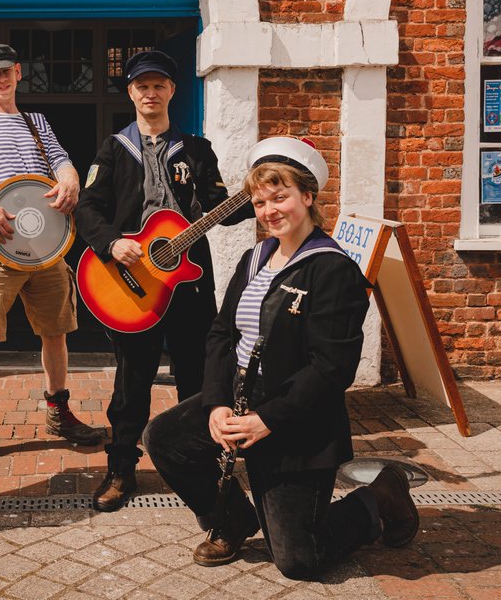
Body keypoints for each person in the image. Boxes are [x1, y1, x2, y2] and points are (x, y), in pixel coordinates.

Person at [143, 137, 419, 578]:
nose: (270, 210)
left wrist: (266, 419)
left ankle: (379, 497)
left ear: (307, 197)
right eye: (259, 201)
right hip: (238, 398)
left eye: (280, 196)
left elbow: (332, 368)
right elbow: (221, 334)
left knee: (299, 560)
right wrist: (215, 403)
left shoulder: (332, 269)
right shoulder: (256, 258)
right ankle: (231, 520)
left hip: (296, 420)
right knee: (165, 438)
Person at [73, 50, 253, 512]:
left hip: (189, 283)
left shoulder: (197, 149)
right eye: (141, 86)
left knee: (198, 377)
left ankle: (200, 463)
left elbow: (219, 206)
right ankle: (121, 469)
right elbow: (87, 209)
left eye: (159, 85)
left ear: (172, 91)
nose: (150, 93)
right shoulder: (114, 148)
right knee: (133, 380)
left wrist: (262, 197)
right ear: (131, 93)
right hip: (132, 282)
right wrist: (111, 243)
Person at [0, 43, 104, 475]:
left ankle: (58, 413)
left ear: (18, 73)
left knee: (56, 332)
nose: (0, 79)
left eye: (6, 72)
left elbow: (60, 159)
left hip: (46, 246)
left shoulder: (36, 121)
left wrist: (69, 179)